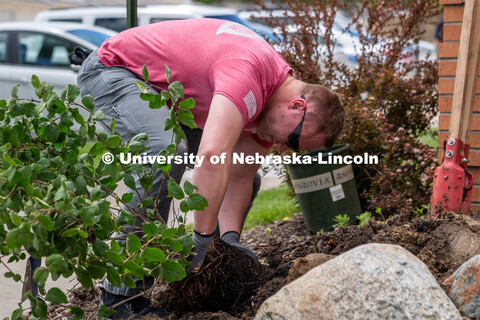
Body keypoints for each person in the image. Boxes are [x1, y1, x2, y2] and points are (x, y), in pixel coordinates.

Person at [75, 18, 344, 319]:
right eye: (293, 141)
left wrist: (229, 241)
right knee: (166, 154)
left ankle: (203, 274)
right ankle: (119, 298)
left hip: (163, 94)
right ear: (296, 106)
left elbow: (240, 176)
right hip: (113, 70)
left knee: (233, 168)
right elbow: (211, 155)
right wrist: (202, 238)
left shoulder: (270, 106)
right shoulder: (247, 77)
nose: (283, 148)